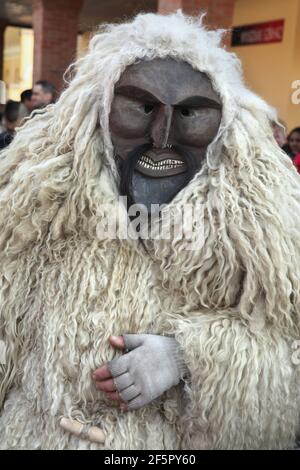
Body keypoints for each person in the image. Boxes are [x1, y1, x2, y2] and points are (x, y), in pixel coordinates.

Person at [0, 12, 299, 450]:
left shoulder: (263, 232)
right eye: (140, 107)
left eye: (191, 113)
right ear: (98, 113)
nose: (162, 137)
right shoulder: (37, 209)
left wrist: (189, 356)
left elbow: (288, 343)